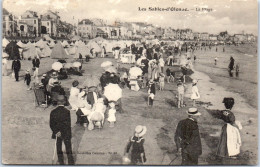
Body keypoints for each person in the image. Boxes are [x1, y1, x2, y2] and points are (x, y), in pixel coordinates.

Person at [49, 95, 74, 165]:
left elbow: (51, 124)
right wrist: (62, 131)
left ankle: (61, 162)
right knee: (68, 147)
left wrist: (56, 131)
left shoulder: (53, 112)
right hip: (66, 132)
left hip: (57, 133)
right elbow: (67, 124)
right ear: (64, 102)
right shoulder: (67, 112)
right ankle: (71, 162)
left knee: (58, 147)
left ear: (57, 102)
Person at [216, 98, 242, 162]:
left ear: (225, 105)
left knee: (224, 140)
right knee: (231, 140)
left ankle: (222, 153)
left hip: (225, 126)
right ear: (232, 106)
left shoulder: (223, 112)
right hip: (230, 128)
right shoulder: (231, 113)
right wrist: (238, 126)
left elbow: (221, 116)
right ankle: (231, 154)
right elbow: (232, 121)